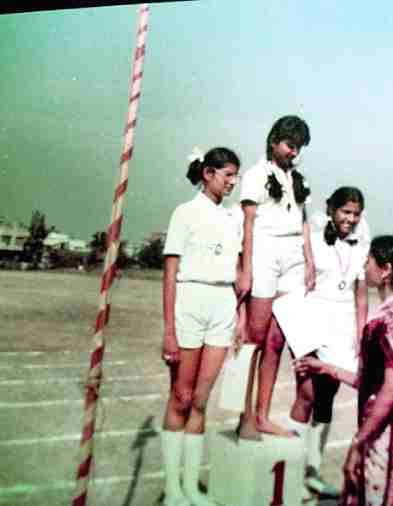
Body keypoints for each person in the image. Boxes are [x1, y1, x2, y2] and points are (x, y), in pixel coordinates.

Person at [295, 235, 393, 506]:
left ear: (386, 270)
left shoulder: (390, 318)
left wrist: (358, 442)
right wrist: (327, 368)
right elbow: (372, 384)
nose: (364, 266)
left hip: (388, 437)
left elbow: (391, 390)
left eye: (369, 260)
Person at [272, 187, 370, 498]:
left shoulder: (361, 244)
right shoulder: (312, 237)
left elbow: (361, 294)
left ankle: (311, 473)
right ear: (331, 209)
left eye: (355, 214)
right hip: (312, 318)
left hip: (342, 324)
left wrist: (360, 332)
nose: (350, 219)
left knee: (327, 397)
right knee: (307, 394)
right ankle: (291, 476)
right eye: (345, 212)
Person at [159, 146, 244, 506]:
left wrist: (237, 315)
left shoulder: (232, 217)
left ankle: (192, 487)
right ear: (207, 173)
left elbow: (237, 269)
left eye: (235, 176)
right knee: (180, 396)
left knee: (201, 400)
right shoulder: (185, 213)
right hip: (189, 301)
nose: (232, 182)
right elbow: (170, 272)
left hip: (222, 304)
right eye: (227, 175)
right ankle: (173, 488)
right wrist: (169, 329)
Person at [235, 115, 315, 439]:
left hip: (293, 259)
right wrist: (246, 268)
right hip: (264, 254)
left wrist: (309, 261)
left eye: (299, 148)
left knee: (276, 341)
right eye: (290, 146)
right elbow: (249, 225)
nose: (294, 153)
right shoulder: (255, 175)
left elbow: (305, 222)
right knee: (254, 339)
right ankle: (245, 418)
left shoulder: (299, 180)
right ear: (274, 141)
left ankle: (264, 415)